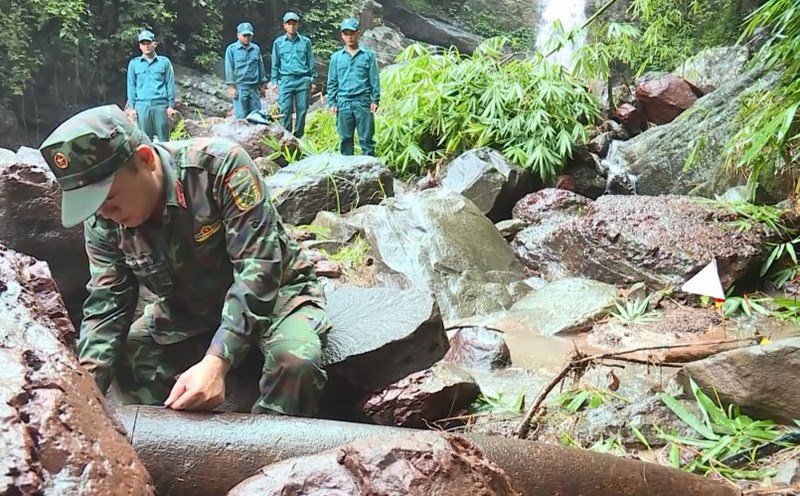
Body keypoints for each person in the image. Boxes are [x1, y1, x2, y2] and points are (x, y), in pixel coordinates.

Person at [38, 104, 332, 416]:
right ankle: (169, 439)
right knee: (131, 353)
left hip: (278, 297)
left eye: (109, 199)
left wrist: (218, 360)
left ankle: (272, 457)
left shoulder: (219, 167)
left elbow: (257, 269)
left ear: (145, 159)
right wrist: (85, 395)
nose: (105, 214)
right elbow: (108, 300)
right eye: (93, 206)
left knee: (296, 361)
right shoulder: (103, 218)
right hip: (190, 308)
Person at [326, 18, 381, 156]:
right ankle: (347, 171)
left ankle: (371, 172)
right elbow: (332, 82)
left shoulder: (368, 55)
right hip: (343, 102)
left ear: (358, 33)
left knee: (366, 139)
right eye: (346, 33)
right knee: (345, 139)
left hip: (363, 101)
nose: (349, 37)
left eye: (352, 33)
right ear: (342, 36)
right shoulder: (336, 57)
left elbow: (374, 79)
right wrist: (332, 102)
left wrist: (375, 99)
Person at [270, 12, 317, 138]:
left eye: (294, 23)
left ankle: (298, 137)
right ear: (284, 25)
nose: (291, 26)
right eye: (289, 23)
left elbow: (310, 61)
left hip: (303, 79)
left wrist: (313, 80)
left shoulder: (305, 42)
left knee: (302, 110)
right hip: (286, 80)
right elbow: (275, 63)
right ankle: (286, 137)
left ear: (298, 25)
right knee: (285, 110)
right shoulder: (278, 43)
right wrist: (274, 82)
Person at [126, 30, 177, 142]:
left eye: (149, 43)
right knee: (145, 141)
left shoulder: (164, 62)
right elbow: (131, 86)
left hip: (160, 106)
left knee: (164, 142)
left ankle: (167, 160)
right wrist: (132, 108)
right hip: (142, 106)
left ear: (154, 44)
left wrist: (171, 106)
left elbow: (170, 83)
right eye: (143, 43)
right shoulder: (134, 64)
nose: (146, 46)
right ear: (140, 46)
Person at [225, 22, 268, 119]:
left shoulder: (256, 49)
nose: (247, 38)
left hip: (254, 87)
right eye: (244, 35)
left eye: (249, 35)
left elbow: (260, 66)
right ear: (238, 35)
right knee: (241, 117)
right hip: (240, 87)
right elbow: (229, 68)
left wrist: (263, 85)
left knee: (256, 116)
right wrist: (231, 87)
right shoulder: (232, 50)